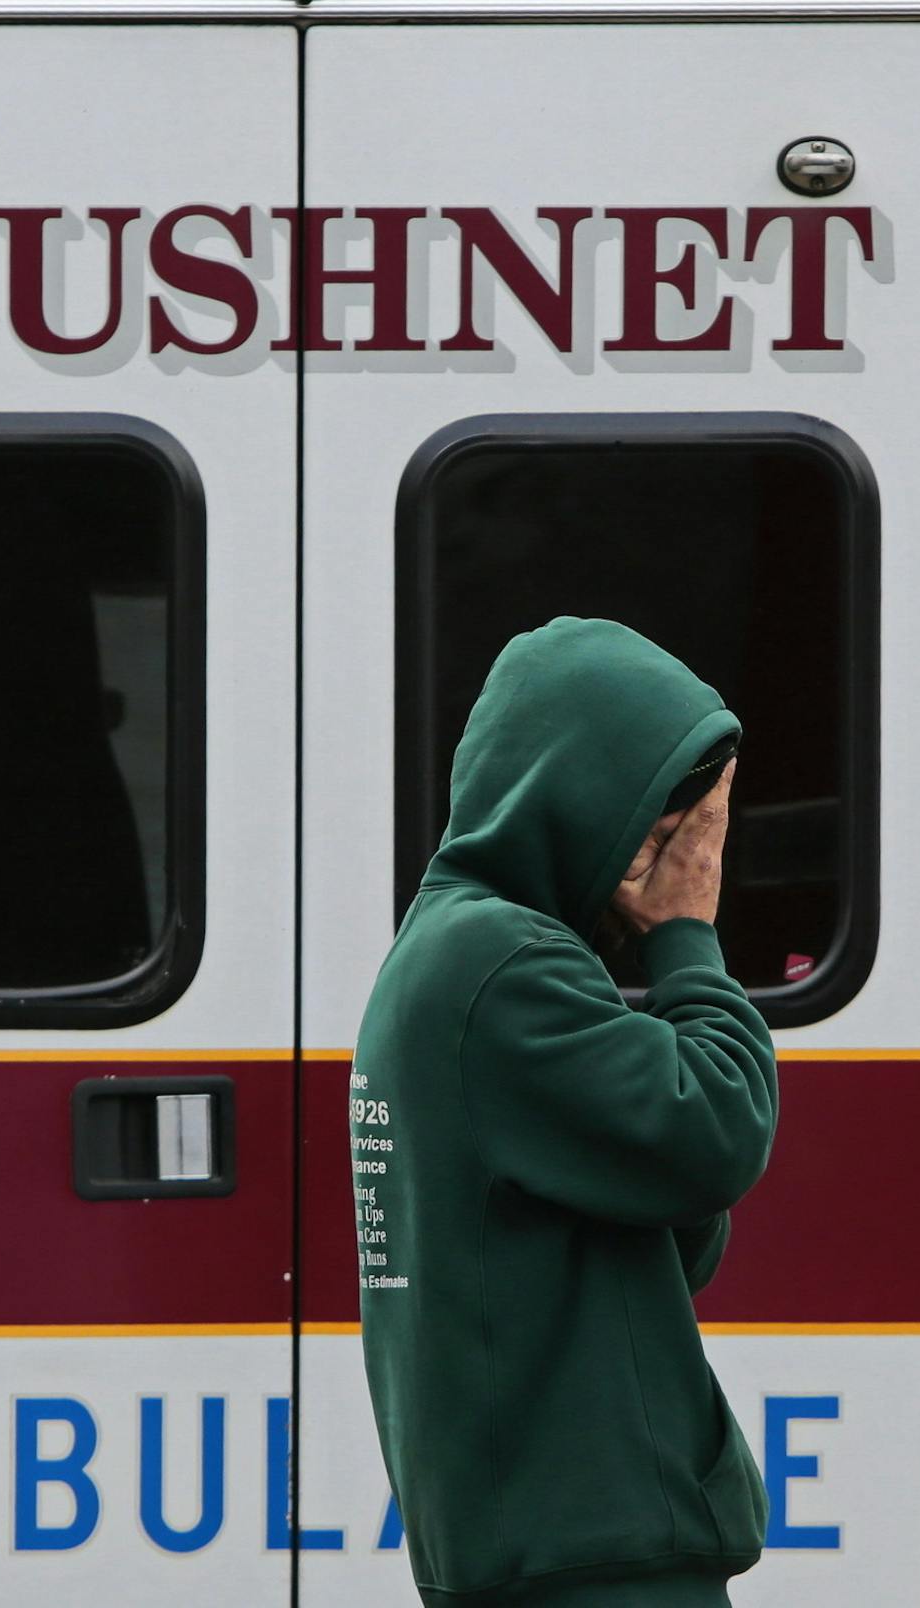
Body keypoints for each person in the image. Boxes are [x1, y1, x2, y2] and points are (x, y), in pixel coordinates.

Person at [352, 616, 779, 1607]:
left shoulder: (452, 955)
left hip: (549, 1549)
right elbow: (720, 1132)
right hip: (591, 1557)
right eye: (666, 825)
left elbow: (678, 1237)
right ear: (573, 800)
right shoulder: (503, 966)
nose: (677, 860)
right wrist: (685, 935)